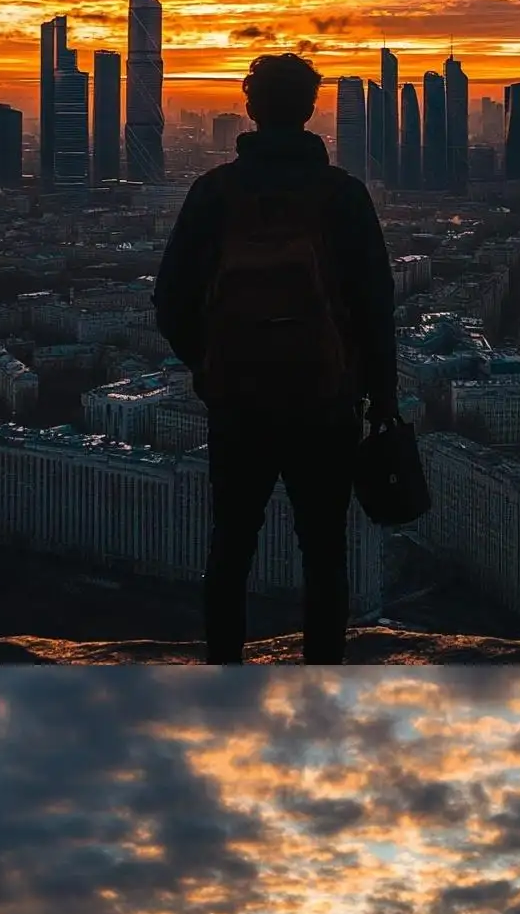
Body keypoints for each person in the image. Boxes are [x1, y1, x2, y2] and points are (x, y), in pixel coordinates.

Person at [153, 53, 397, 664]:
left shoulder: (214, 192)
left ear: (252, 110)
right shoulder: (342, 193)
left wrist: (210, 368)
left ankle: (224, 679)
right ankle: (323, 677)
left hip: (239, 402)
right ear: (311, 110)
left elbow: (170, 298)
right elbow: (375, 304)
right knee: (324, 551)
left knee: (231, 546)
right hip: (325, 402)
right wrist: (378, 395)